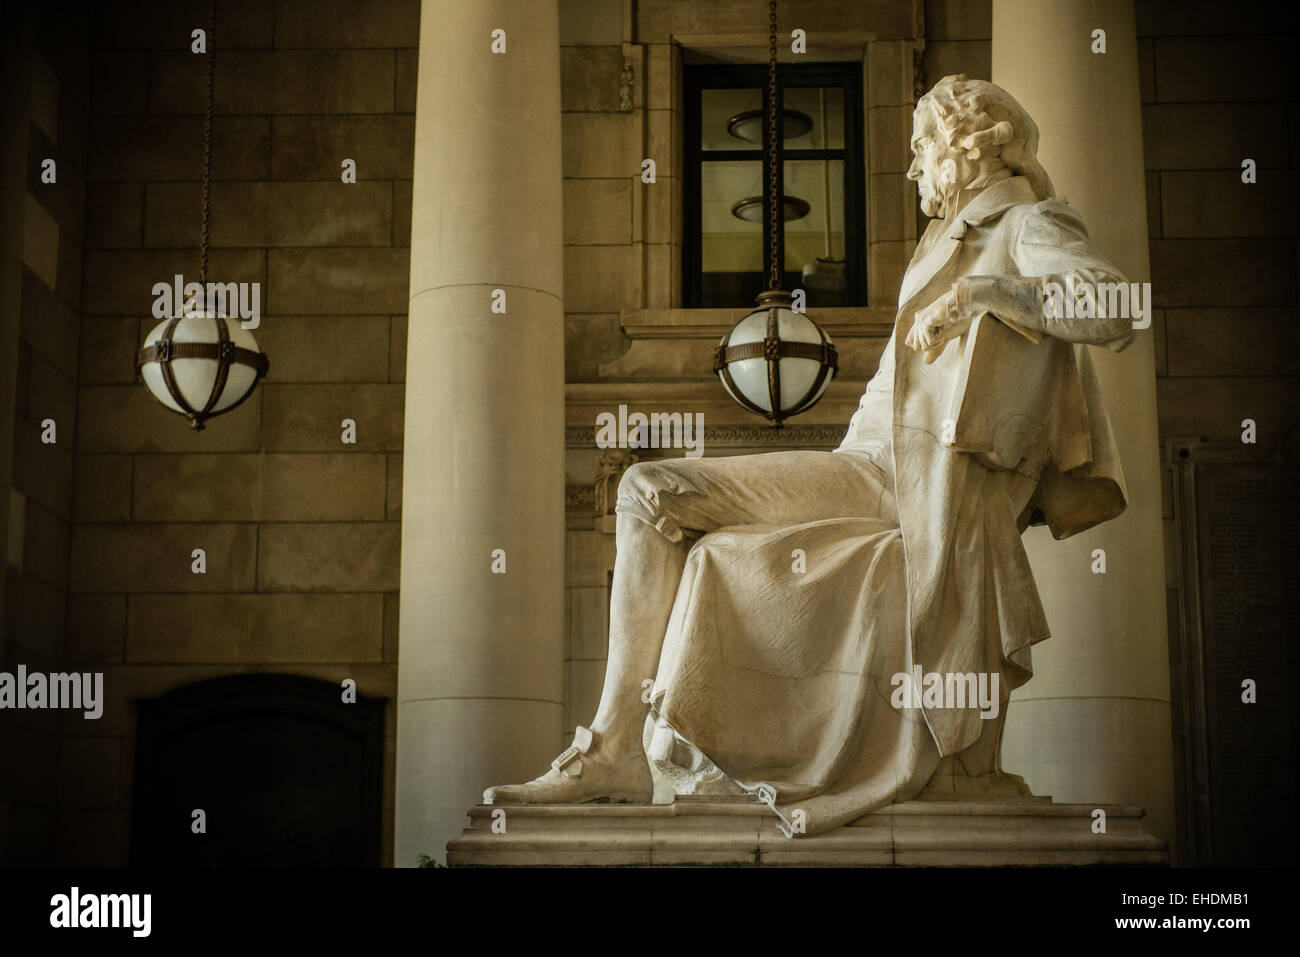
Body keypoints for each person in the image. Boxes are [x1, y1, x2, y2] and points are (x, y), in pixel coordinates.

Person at [483, 75, 1136, 835]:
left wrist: (984, 294)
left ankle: (615, 749)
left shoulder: (1023, 223)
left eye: (924, 147)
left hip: (904, 485)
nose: (915, 168)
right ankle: (622, 748)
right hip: (862, 465)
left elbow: (1117, 306)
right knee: (659, 499)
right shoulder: (943, 240)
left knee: (646, 488)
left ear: (971, 143)